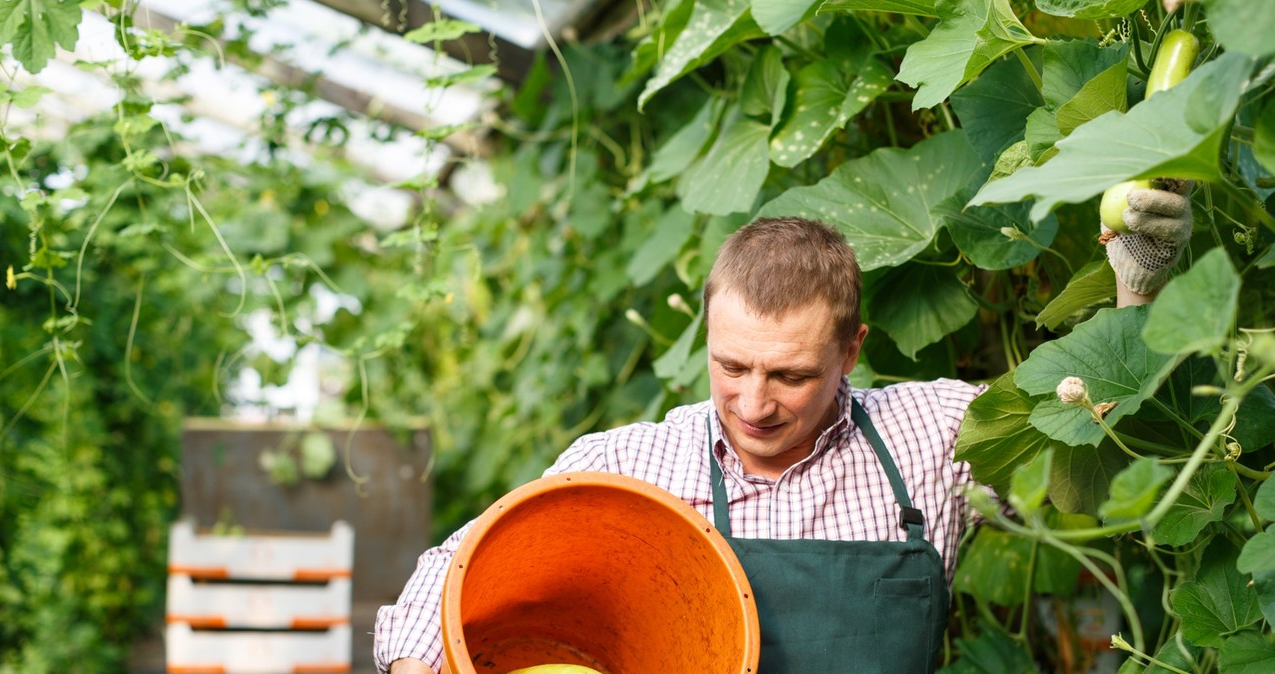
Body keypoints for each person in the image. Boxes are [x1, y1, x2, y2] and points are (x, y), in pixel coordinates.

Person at [374, 183, 1193, 674]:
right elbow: (455, 567)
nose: (755, 402)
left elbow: (1092, 425)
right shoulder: (627, 465)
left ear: (852, 350)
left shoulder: (932, 436)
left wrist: (1141, 287)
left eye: (792, 375)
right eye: (730, 366)